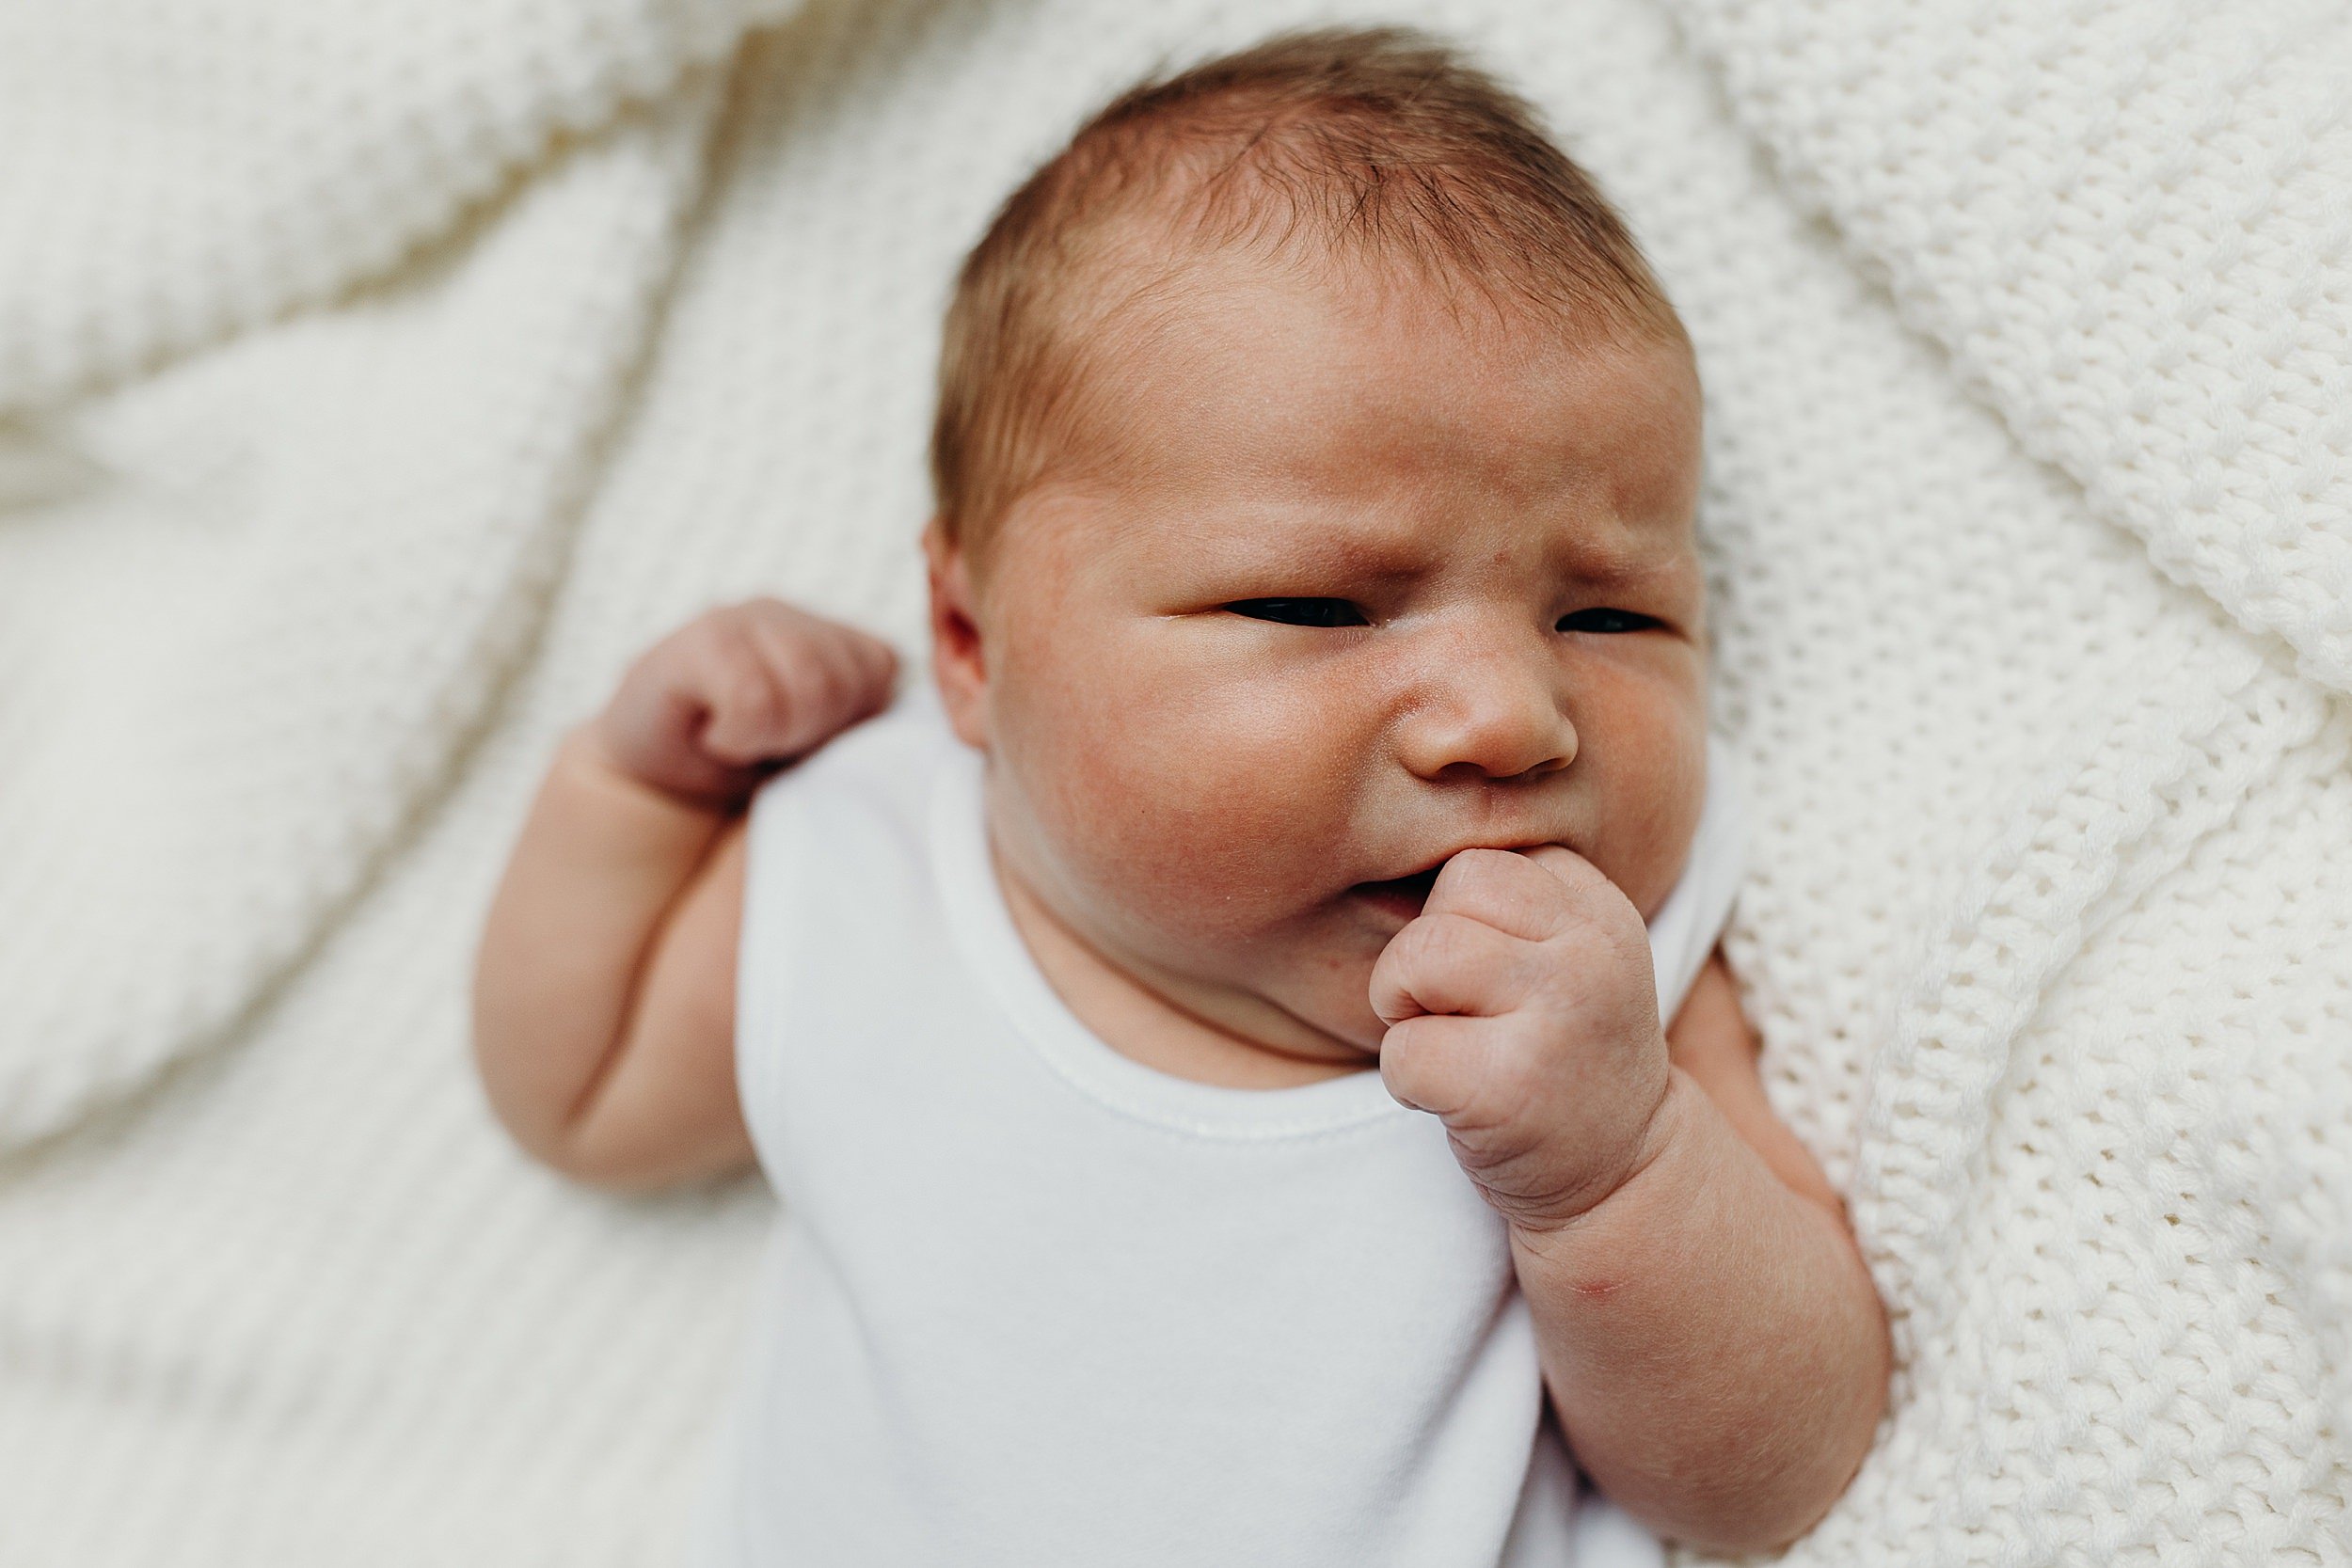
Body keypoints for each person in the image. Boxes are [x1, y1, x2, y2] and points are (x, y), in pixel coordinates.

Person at [471, 26, 1889, 1565]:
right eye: (1316, 610)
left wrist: (1616, 1167)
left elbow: (1774, 1478)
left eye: (1611, 618)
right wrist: (630, 791)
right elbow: (587, 1092)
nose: (1511, 716)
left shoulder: (1616, 1005)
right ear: (971, 642)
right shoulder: (885, 868)